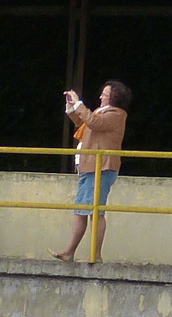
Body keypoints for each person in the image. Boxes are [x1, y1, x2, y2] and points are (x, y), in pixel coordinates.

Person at [54, 81, 131, 262]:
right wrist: (72, 106)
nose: (100, 97)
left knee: (95, 212)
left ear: (114, 98)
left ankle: (94, 255)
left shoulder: (116, 114)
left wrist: (79, 104)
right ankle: (69, 251)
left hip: (101, 167)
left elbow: (94, 123)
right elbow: (82, 122)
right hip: (90, 167)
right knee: (81, 210)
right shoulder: (100, 112)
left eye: (104, 94)